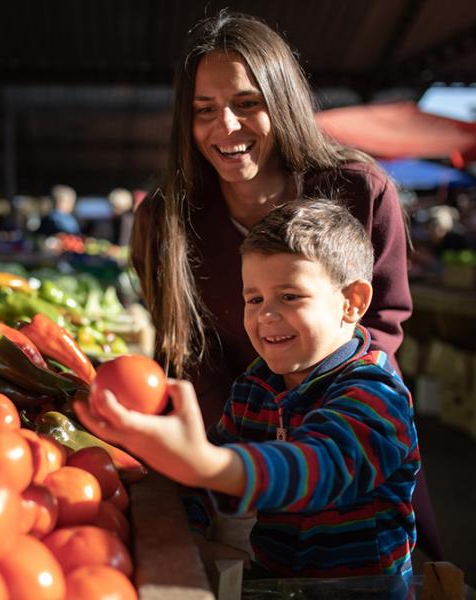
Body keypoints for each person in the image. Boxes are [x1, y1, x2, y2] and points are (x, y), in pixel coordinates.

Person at [129, 10, 442, 560]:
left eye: (247, 103)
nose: (224, 127)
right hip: (232, 455)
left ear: (283, 98)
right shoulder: (165, 218)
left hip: (350, 468)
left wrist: (301, 415)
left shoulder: (359, 188)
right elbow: (185, 351)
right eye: (203, 110)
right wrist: (212, 479)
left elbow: (384, 323)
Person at [77, 200, 420, 578]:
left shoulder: (376, 394)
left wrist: (208, 466)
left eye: (290, 296)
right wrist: (188, 532)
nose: (265, 315)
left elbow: (319, 469)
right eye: (253, 299)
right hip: (278, 582)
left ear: (352, 302)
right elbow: (209, 477)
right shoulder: (255, 387)